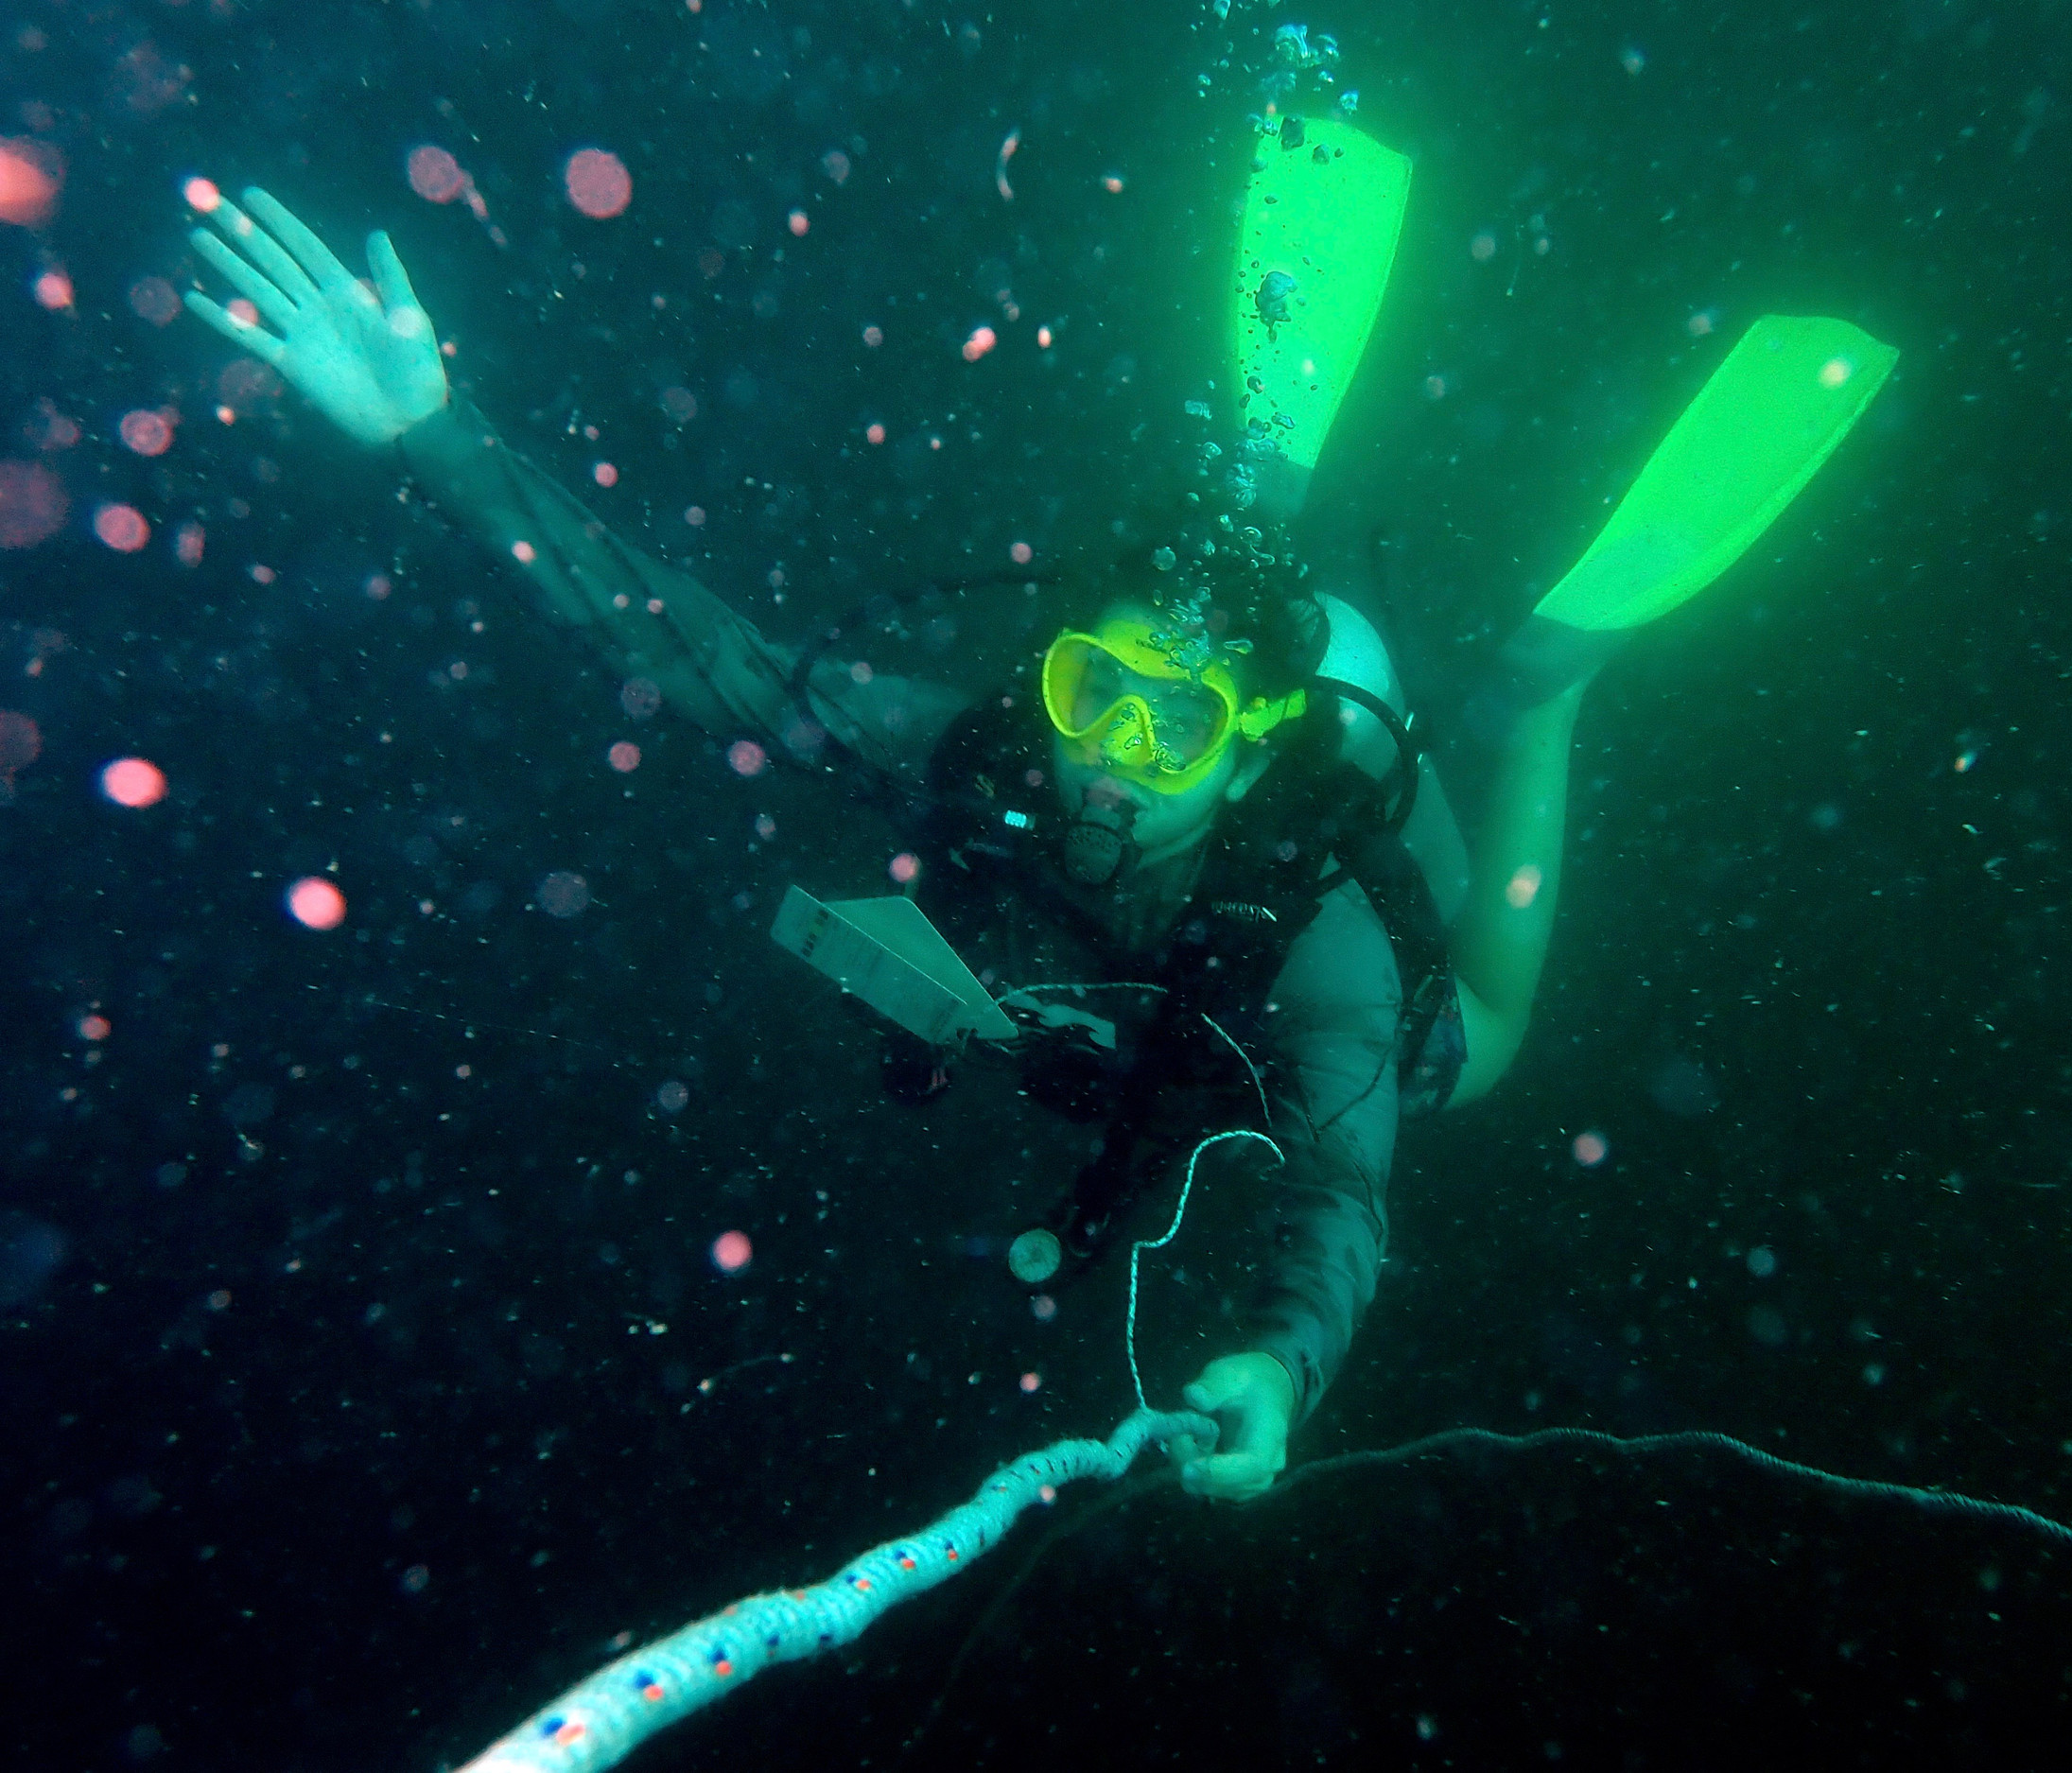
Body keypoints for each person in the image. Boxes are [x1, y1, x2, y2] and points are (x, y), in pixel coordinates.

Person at [176, 146, 1892, 1499]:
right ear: (1050, 677)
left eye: (1183, 723)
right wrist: (433, 431)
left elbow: (1340, 1193)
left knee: (1494, 1041)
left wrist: (1281, 1370)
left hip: (1340, 968)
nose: (1116, 761)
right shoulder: (983, 753)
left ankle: (1544, 682)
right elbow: (696, 653)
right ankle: (1261, 506)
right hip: (1115, 995)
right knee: (1214, 563)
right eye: (1095, 695)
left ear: (1250, 747)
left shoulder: (1324, 934)